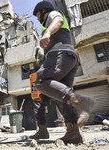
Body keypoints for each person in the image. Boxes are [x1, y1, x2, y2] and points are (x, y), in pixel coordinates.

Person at [30, 1, 94, 144]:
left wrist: (47, 32)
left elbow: (58, 20)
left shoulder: (52, 15)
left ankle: (82, 101)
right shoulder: (45, 25)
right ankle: (73, 133)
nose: (37, 18)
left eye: (37, 14)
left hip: (60, 54)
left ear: (42, 10)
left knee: (40, 82)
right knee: (60, 97)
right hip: (68, 58)